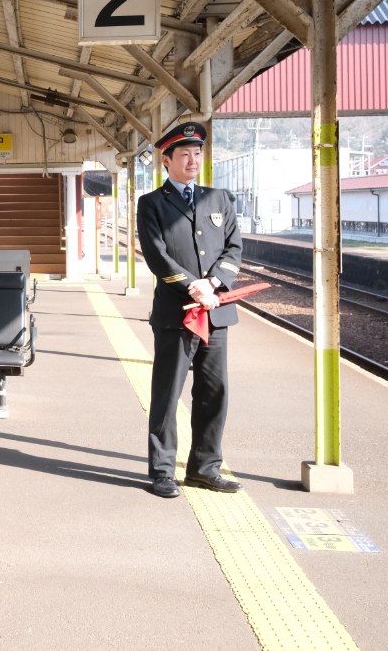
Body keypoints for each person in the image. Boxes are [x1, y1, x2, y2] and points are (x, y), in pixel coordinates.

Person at [137, 122, 243, 498]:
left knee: (215, 392)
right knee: (168, 393)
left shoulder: (218, 199)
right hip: (175, 314)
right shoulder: (151, 204)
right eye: (184, 154)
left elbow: (234, 248)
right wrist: (192, 286)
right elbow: (156, 255)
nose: (193, 159)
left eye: (197, 153)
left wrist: (213, 283)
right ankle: (163, 470)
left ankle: (205, 468)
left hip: (215, 313)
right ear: (166, 160)